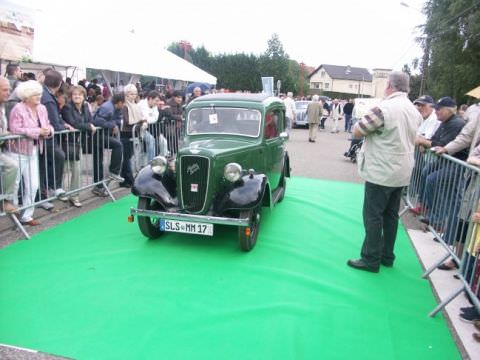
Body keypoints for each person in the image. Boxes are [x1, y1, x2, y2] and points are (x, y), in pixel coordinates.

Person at [347, 71, 422, 273]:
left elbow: (358, 130)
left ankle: (370, 258)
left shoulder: (384, 108)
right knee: (391, 216)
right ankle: (387, 256)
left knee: (373, 215)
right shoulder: (413, 110)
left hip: (381, 170)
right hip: (402, 171)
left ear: (389, 85)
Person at [8, 80, 54, 226]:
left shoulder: (42, 108)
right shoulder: (18, 109)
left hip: (34, 149)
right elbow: (15, 130)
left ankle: (27, 215)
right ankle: (13, 214)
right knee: (14, 185)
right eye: (35, 94)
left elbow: (48, 124)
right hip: (17, 151)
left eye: (39, 93)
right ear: (26, 96)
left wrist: (49, 131)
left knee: (33, 184)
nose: (39, 96)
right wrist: (37, 132)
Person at [40, 70, 72, 209]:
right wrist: (62, 127)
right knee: (58, 156)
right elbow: (53, 120)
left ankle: (46, 192)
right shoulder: (47, 97)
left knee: (44, 166)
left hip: (46, 135)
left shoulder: (46, 94)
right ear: (58, 84)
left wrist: (62, 124)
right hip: (45, 137)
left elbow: (55, 118)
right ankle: (54, 187)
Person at [61, 86, 97, 207]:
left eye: (80, 94)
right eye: (75, 94)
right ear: (71, 96)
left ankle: (74, 195)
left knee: (77, 170)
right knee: (64, 169)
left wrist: (87, 125)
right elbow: (74, 123)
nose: (77, 96)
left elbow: (90, 120)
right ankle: (61, 193)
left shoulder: (86, 106)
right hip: (66, 142)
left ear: (84, 96)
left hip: (78, 143)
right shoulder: (67, 107)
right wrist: (88, 126)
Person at [91, 93, 125, 197]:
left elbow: (118, 120)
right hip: (98, 135)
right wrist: (112, 124)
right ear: (119, 102)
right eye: (123, 103)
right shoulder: (107, 107)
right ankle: (113, 172)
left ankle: (99, 186)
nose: (123, 106)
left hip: (104, 134)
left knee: (98, 161)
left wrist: (114, 124)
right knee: (117, 146)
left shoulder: (116, 108)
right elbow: (97, 121)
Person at [119, 84, 146, 187]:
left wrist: (142, 122)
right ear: (126, 94)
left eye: (135, 93)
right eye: (131, 93)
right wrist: (140, 121)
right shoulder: (125, 106)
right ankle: (129, 179)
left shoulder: (135, 105)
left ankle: (124, 180)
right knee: (127, 158)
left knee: (128, 157)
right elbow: (127, 121)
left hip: (134, 133)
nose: (133, 96)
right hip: (126, 134)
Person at [0, 76, 19, 214]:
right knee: (11, 165)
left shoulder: (3, 106)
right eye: (5, 90)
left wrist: (8, 134)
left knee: (12, 165)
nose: (8, 92)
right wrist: (6, 135)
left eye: (9, 89)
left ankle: (6, 201)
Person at [138, 90, 160, 162]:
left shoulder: (154, 106)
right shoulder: (141, 104)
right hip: (138, 128)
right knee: (151, 141)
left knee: (154, 141)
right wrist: (146, 119)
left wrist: (146, 120)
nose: (157, 103)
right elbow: (143, 117)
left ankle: (152, 162)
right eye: (156, 100)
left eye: (158, 101)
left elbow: (155, 118)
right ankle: (151, 163)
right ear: (150, 98)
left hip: (146, 128)